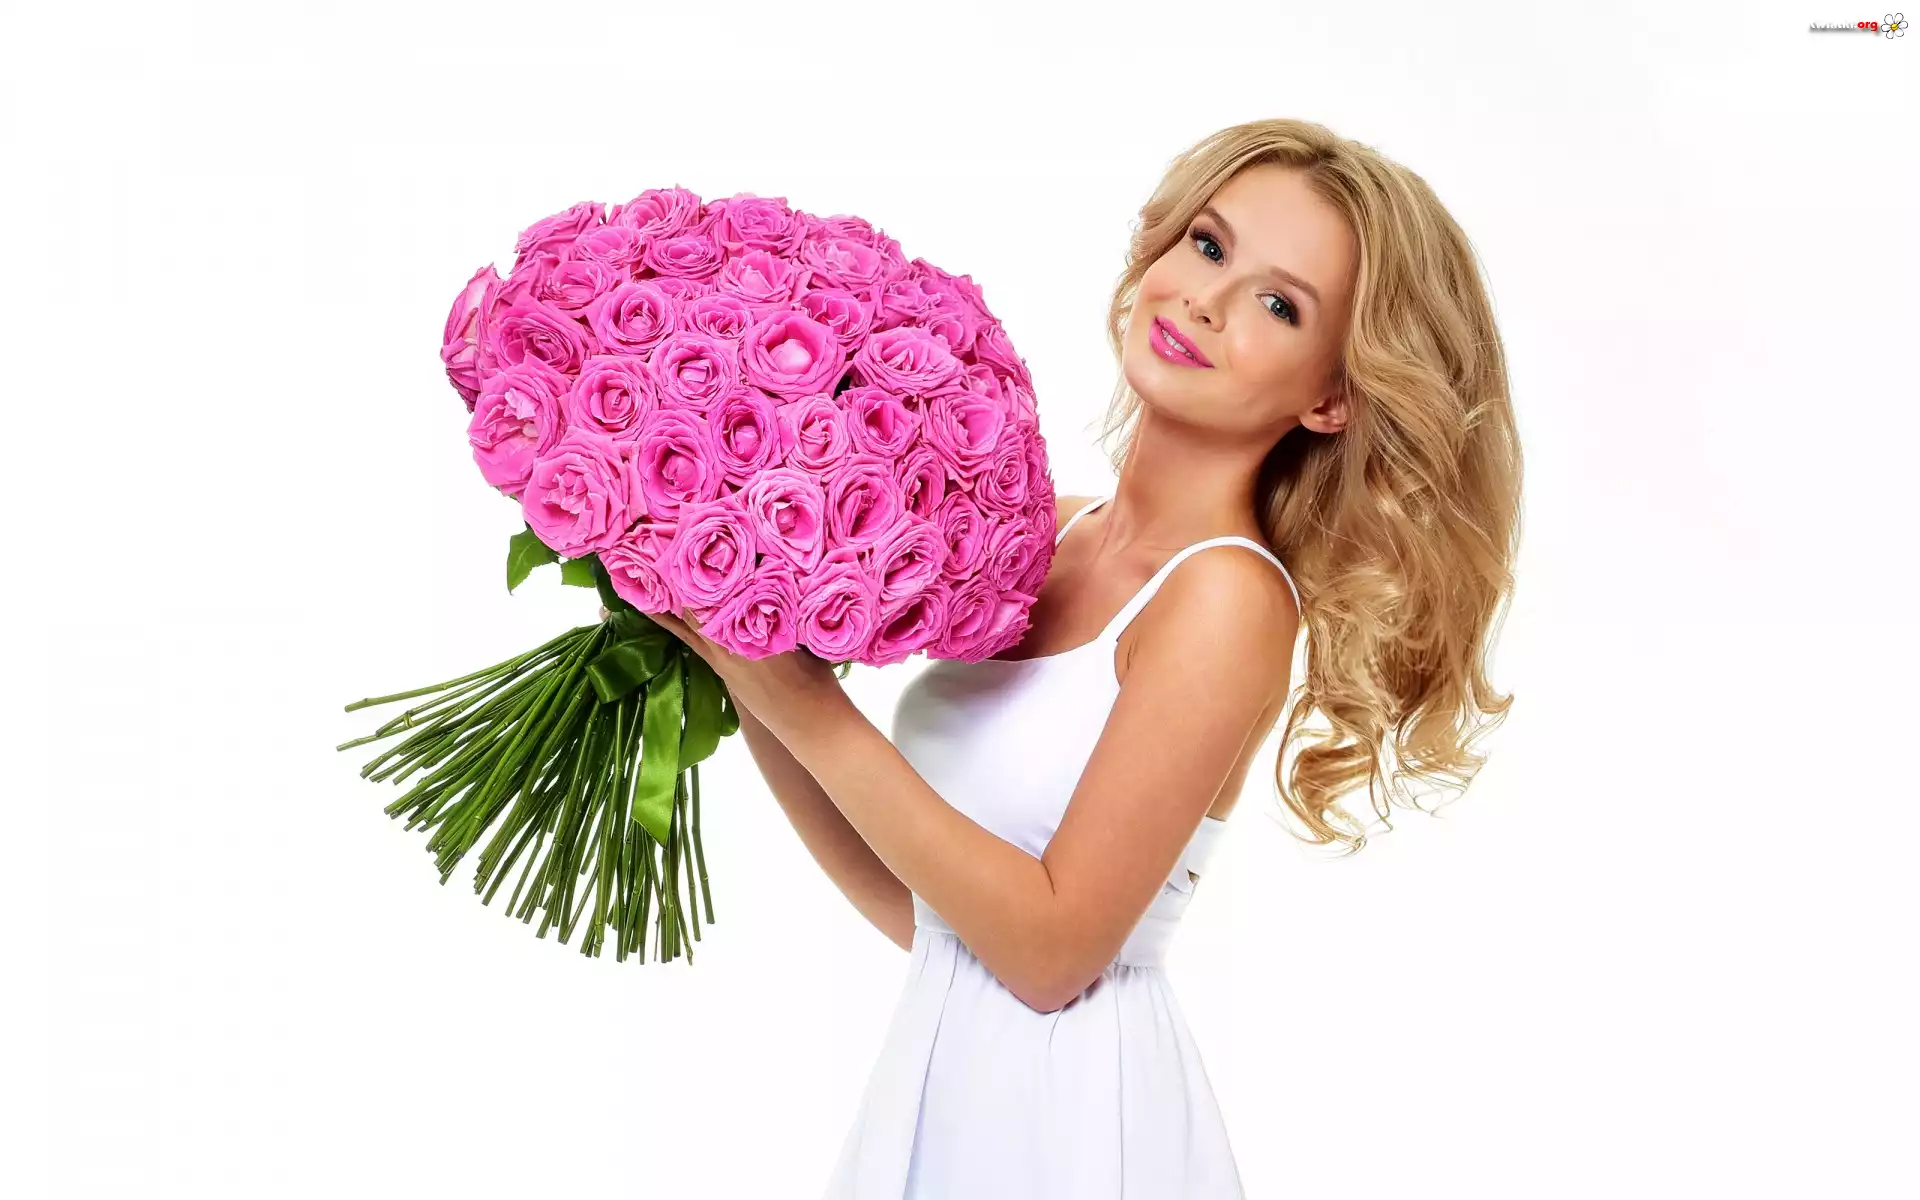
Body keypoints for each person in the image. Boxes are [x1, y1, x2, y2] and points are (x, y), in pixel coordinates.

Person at [645, 116, 1523, 1199]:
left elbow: (1052, 955)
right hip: (945, 1086)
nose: (1208, 300)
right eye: (1209, 245)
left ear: (1330, 396)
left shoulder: (1226, 598)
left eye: (1279, 305)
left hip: (1071, 1127)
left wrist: (804, 706)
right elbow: (927, 914)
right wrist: (742, 649)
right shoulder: (1046, 534)